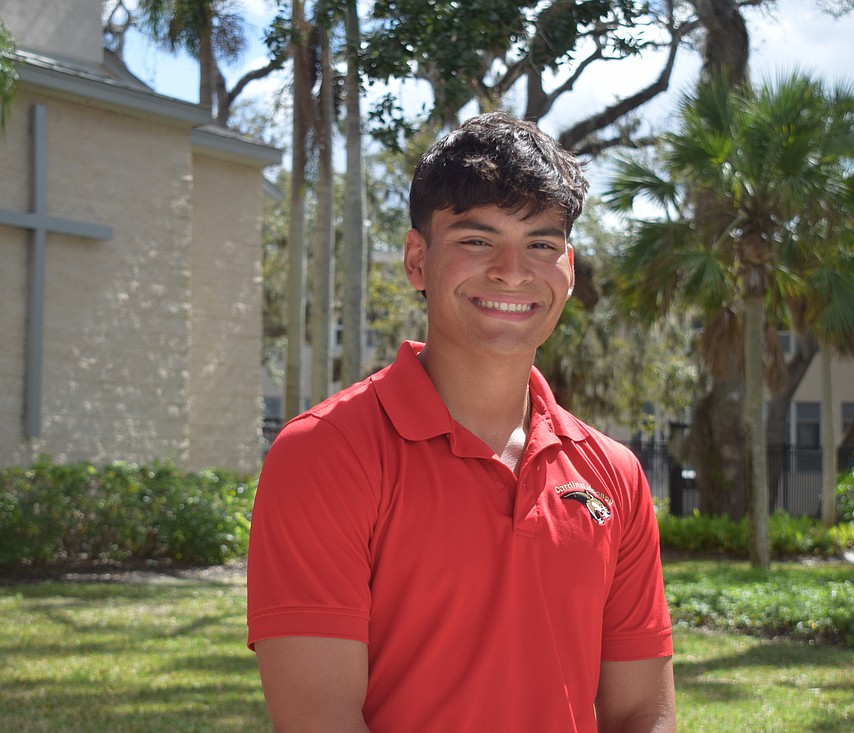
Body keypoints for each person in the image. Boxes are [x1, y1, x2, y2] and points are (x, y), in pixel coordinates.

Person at [247, 112, 676, 732]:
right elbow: (322, 720)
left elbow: (642, 711)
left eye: (541, 244)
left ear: (569, 269)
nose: (512, 269)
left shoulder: (615, 474)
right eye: (477, 241)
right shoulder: (326, 453)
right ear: (417, 260)